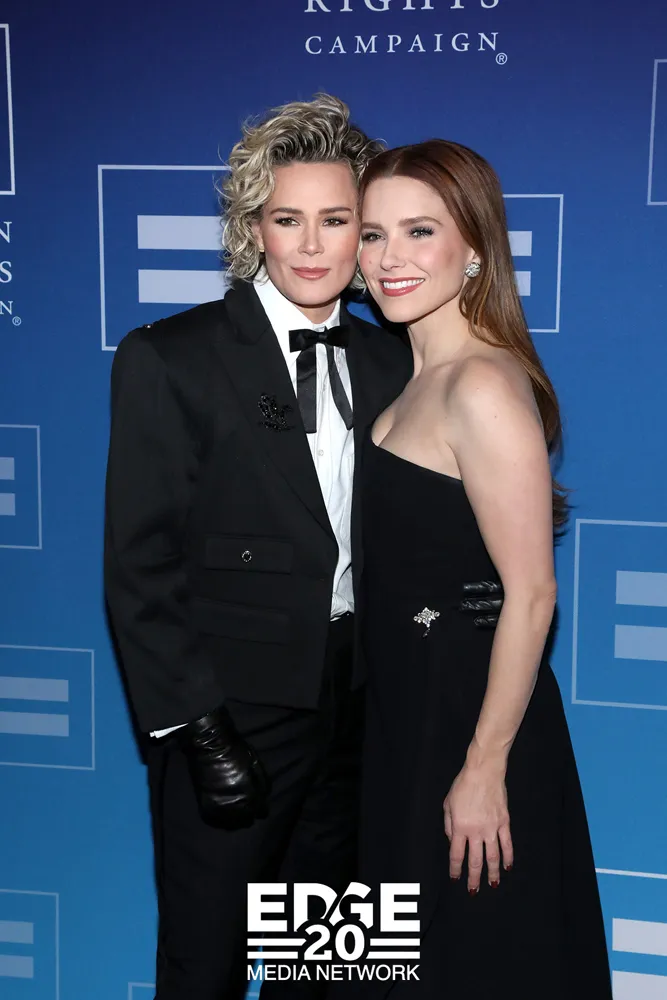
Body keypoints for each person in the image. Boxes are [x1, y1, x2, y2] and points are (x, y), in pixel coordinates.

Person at [104, 97, 491, 1000]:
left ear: (365, 231)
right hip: (232, 712)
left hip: (366, 707)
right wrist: (198, 730)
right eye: (287, 220)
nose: (312, 246)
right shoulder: (171, 357)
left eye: (337, 220)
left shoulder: (394, 359)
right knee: (205, 961)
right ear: (253, 229)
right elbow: (139, 565)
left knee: (325, 962)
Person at [349, 141, 613, 998]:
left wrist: (483, 766)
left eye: (418, 231)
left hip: (467, 725)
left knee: (475, 962)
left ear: (474, 248)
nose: (389, 258)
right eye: (372, 233)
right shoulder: (404, 377)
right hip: (401, 717)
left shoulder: (481, 386)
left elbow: (531, 595)